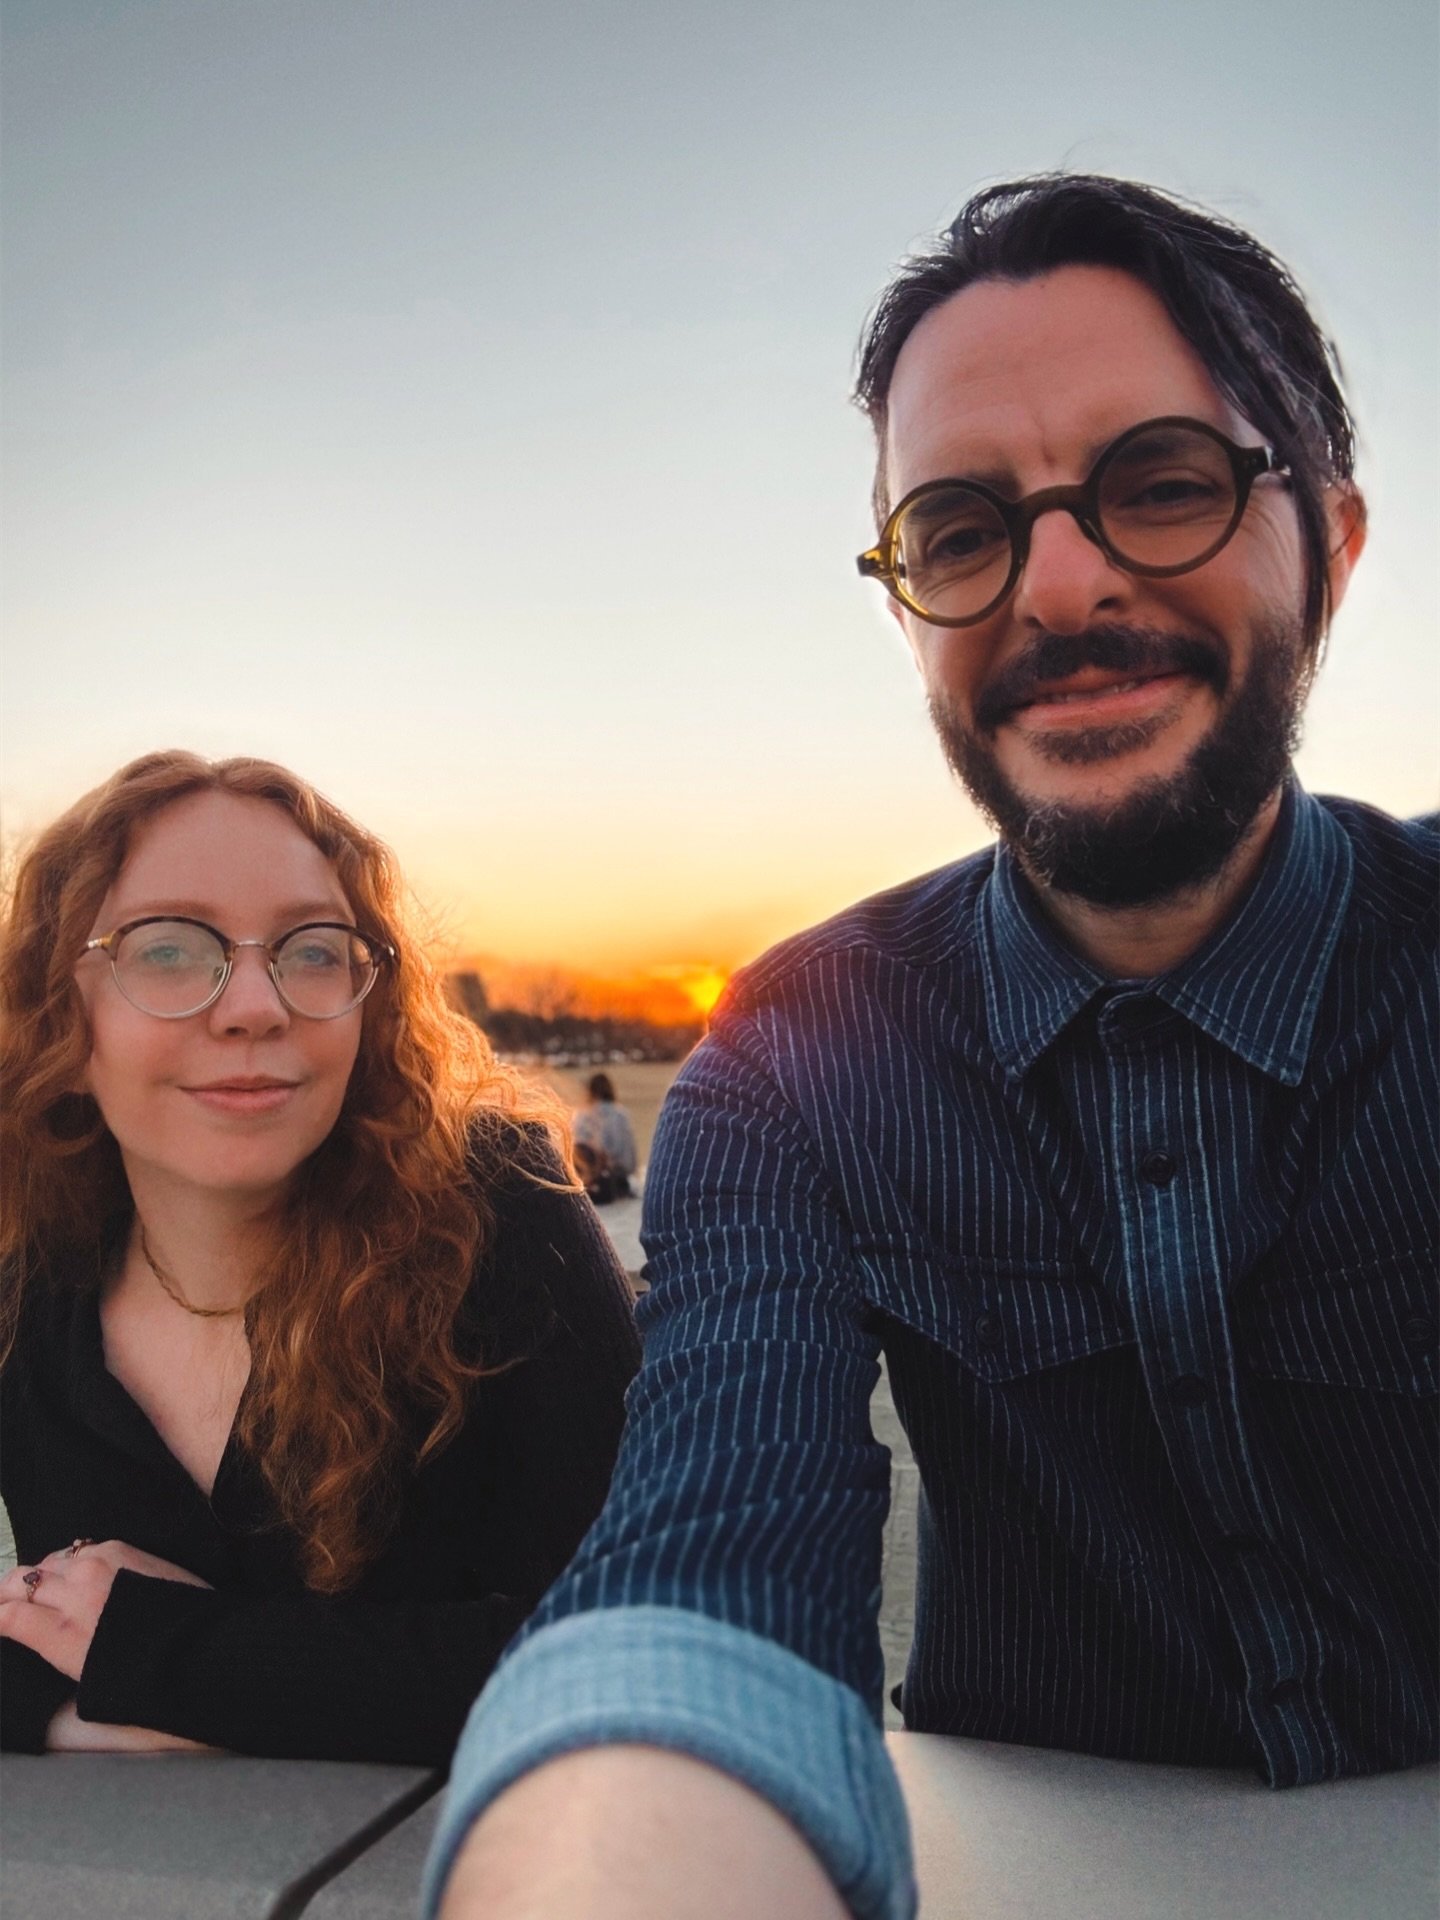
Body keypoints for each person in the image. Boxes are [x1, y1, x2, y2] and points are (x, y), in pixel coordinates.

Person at [427, 176, 1437, 1920]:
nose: (1062, 583)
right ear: (908, 608)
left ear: (1332, 545)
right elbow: (709, 1562)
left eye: (1164, 484)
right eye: (961, 529)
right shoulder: (796, 1053)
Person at [0, 750, 640, 1763]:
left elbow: (632, 1646)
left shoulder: (495, 1212)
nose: (257, 1005)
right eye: (168, 949)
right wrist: (62, 1712)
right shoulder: (27, 1278)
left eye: (312, 950)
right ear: (57, 1019)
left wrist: (176, 1668)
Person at [572, 1072, 639, 1202]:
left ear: (590, 1092)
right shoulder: (621, 1115)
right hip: (614, 1178)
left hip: (585, 1179)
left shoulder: (581, 1116)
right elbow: (629, 1160)